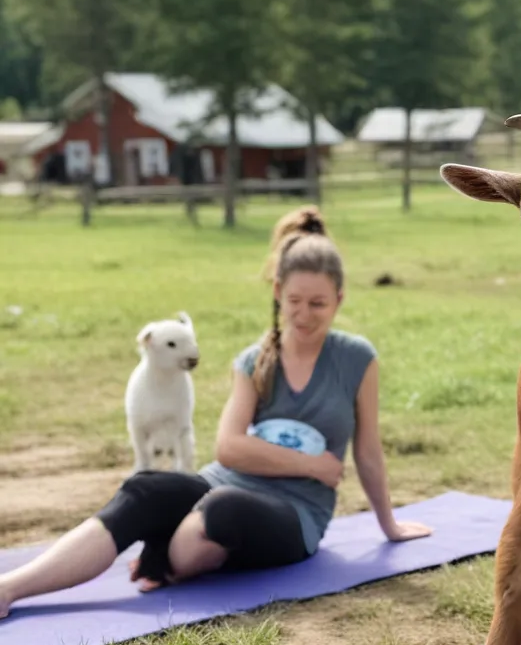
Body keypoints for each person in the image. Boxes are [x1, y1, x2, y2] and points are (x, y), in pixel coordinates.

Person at [0, 207, 431, 619]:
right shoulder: (253, 360)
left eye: (318, 304)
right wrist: (313, 465)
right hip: (220, 484)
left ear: (339, 300)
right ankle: (10, 587)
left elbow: (369, 450)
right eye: (294, 300)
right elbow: (228, 449)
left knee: (222, 510)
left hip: (293, 515)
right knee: (144, 487)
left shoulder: (357, 359)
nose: (303, 314)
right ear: (278, 292)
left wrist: (388, 524)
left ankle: (162, 558)